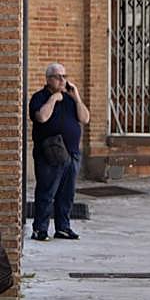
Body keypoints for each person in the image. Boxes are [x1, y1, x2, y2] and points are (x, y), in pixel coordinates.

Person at [29, 63, 89, 241]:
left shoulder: (70, 99)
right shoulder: (39, 97)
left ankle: (63, 228)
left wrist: (76, 97)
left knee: (67, 194)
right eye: (58, 77)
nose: (63, 80)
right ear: (48, 79)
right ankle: (40, 229)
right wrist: (53, 98)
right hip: (50, 153)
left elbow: (85, 118)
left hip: (72, 153)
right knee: (47, 192)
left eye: (64, 76)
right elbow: (41, 117)